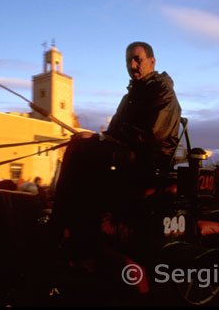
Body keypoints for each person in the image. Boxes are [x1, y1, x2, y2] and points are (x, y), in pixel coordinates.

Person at [52, 41, 182, 270]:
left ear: (152, 62)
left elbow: (154, 135)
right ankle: (71, 228)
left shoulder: (162, 91)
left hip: (149, 159)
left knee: (82, 152)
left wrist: (101, 140)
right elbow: (113, 132)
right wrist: (93, 138)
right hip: (127, 152)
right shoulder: (130, 96)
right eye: (128, 61)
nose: (132, 65)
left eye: (137, 59)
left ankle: (62, 228)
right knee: (77, 145)